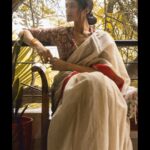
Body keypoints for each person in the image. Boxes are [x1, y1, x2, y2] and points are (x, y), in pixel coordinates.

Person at [19, 0, 133, 149]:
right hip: (68, 82)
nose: (67, 10)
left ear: (85, 9)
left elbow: (106, 74)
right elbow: (23, 32)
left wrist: (65, 65)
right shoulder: (61, 33)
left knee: (96, 83)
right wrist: (38, 46)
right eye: (66, 6)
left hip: (99, 83)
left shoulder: (102, 39)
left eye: (71, 6)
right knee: (91, 84)